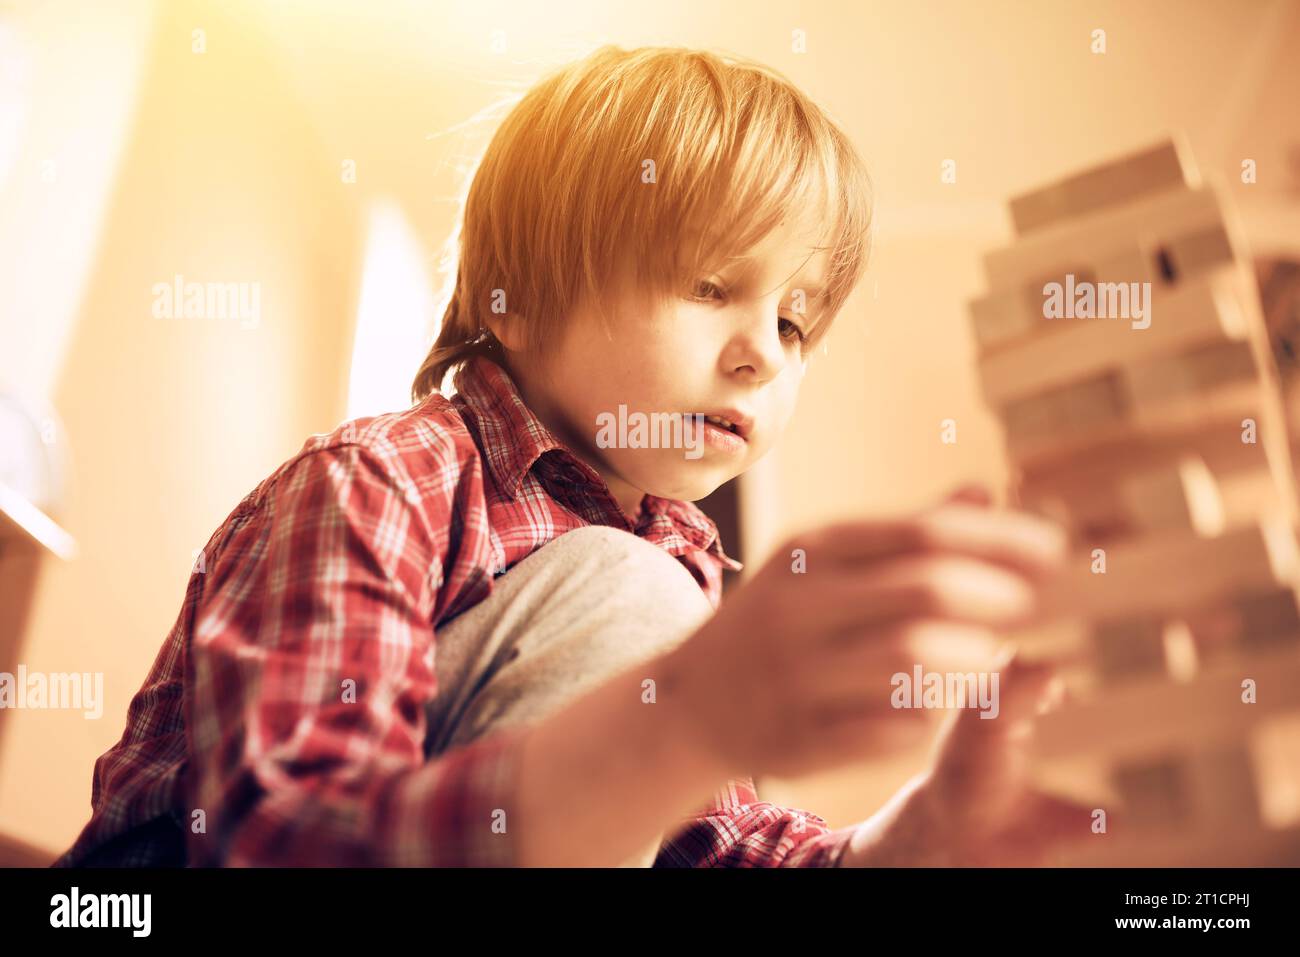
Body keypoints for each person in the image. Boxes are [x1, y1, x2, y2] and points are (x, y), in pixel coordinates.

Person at [54, 44, 1080, 868]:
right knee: (626, 592)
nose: (762, 351)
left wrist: (921, 833)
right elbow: (273, 843)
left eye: (797, 324)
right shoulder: (382, 483)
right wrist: (685, 716)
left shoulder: (671, 561)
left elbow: (720, 845)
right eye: (712, 287)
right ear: (521, 299)